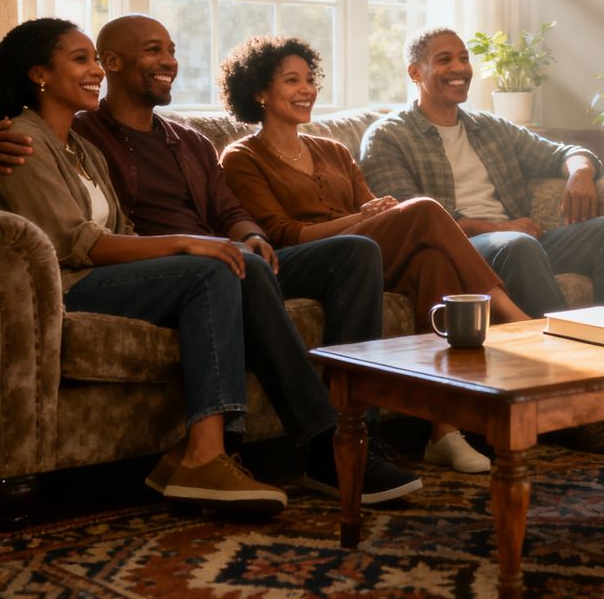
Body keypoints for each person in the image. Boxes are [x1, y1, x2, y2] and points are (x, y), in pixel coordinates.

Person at [0, 15, 421, 505]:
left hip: (202, 260)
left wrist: (248, 235)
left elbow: (223, 211)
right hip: (143, 272)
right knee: (228, 266)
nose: (169, 61)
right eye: (85, 59)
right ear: (46, 73)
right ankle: (323, 444)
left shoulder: (128, 145)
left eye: (172, 50)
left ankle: (355, 429)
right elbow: (70, 230)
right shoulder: (70, 134)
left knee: (352, 252)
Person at [0, 17, 288, 515]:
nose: (96, 70)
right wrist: (187, 244)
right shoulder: (23, 143)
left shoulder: (81, 148)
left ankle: (188, 455)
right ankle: (206, 457)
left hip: (100, 277)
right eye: (81, 59)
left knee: (222, 264)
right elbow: (77, 243)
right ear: (40, 75)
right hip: (63, 288)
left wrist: (196, 248)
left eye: (95, 60)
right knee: (213, 268)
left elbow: (124, 231)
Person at [217, 36, 534, 473]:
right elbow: (284, 235)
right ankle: (512, 316)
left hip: (364, 257)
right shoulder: (241, 157)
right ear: (259, 93)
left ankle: (443, 430)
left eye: (310, 79)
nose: (307, 89)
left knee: (433, 260)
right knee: (424, 212)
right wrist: (360, 219)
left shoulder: (332, 150)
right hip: (308, 261)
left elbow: (372, 207)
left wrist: (374, 213)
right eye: (291, 81)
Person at [359, 26, 604, 452]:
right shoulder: (389, 136)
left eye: (463, 58)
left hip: (520, 239)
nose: (459, 68)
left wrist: (581, 172)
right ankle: (563, 401)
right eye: (444, 60)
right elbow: (412, 218)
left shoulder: (488, 127)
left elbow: (563, 152)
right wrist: (495, 227)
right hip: (464, 247)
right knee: (518, 245)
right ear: (415, 72)